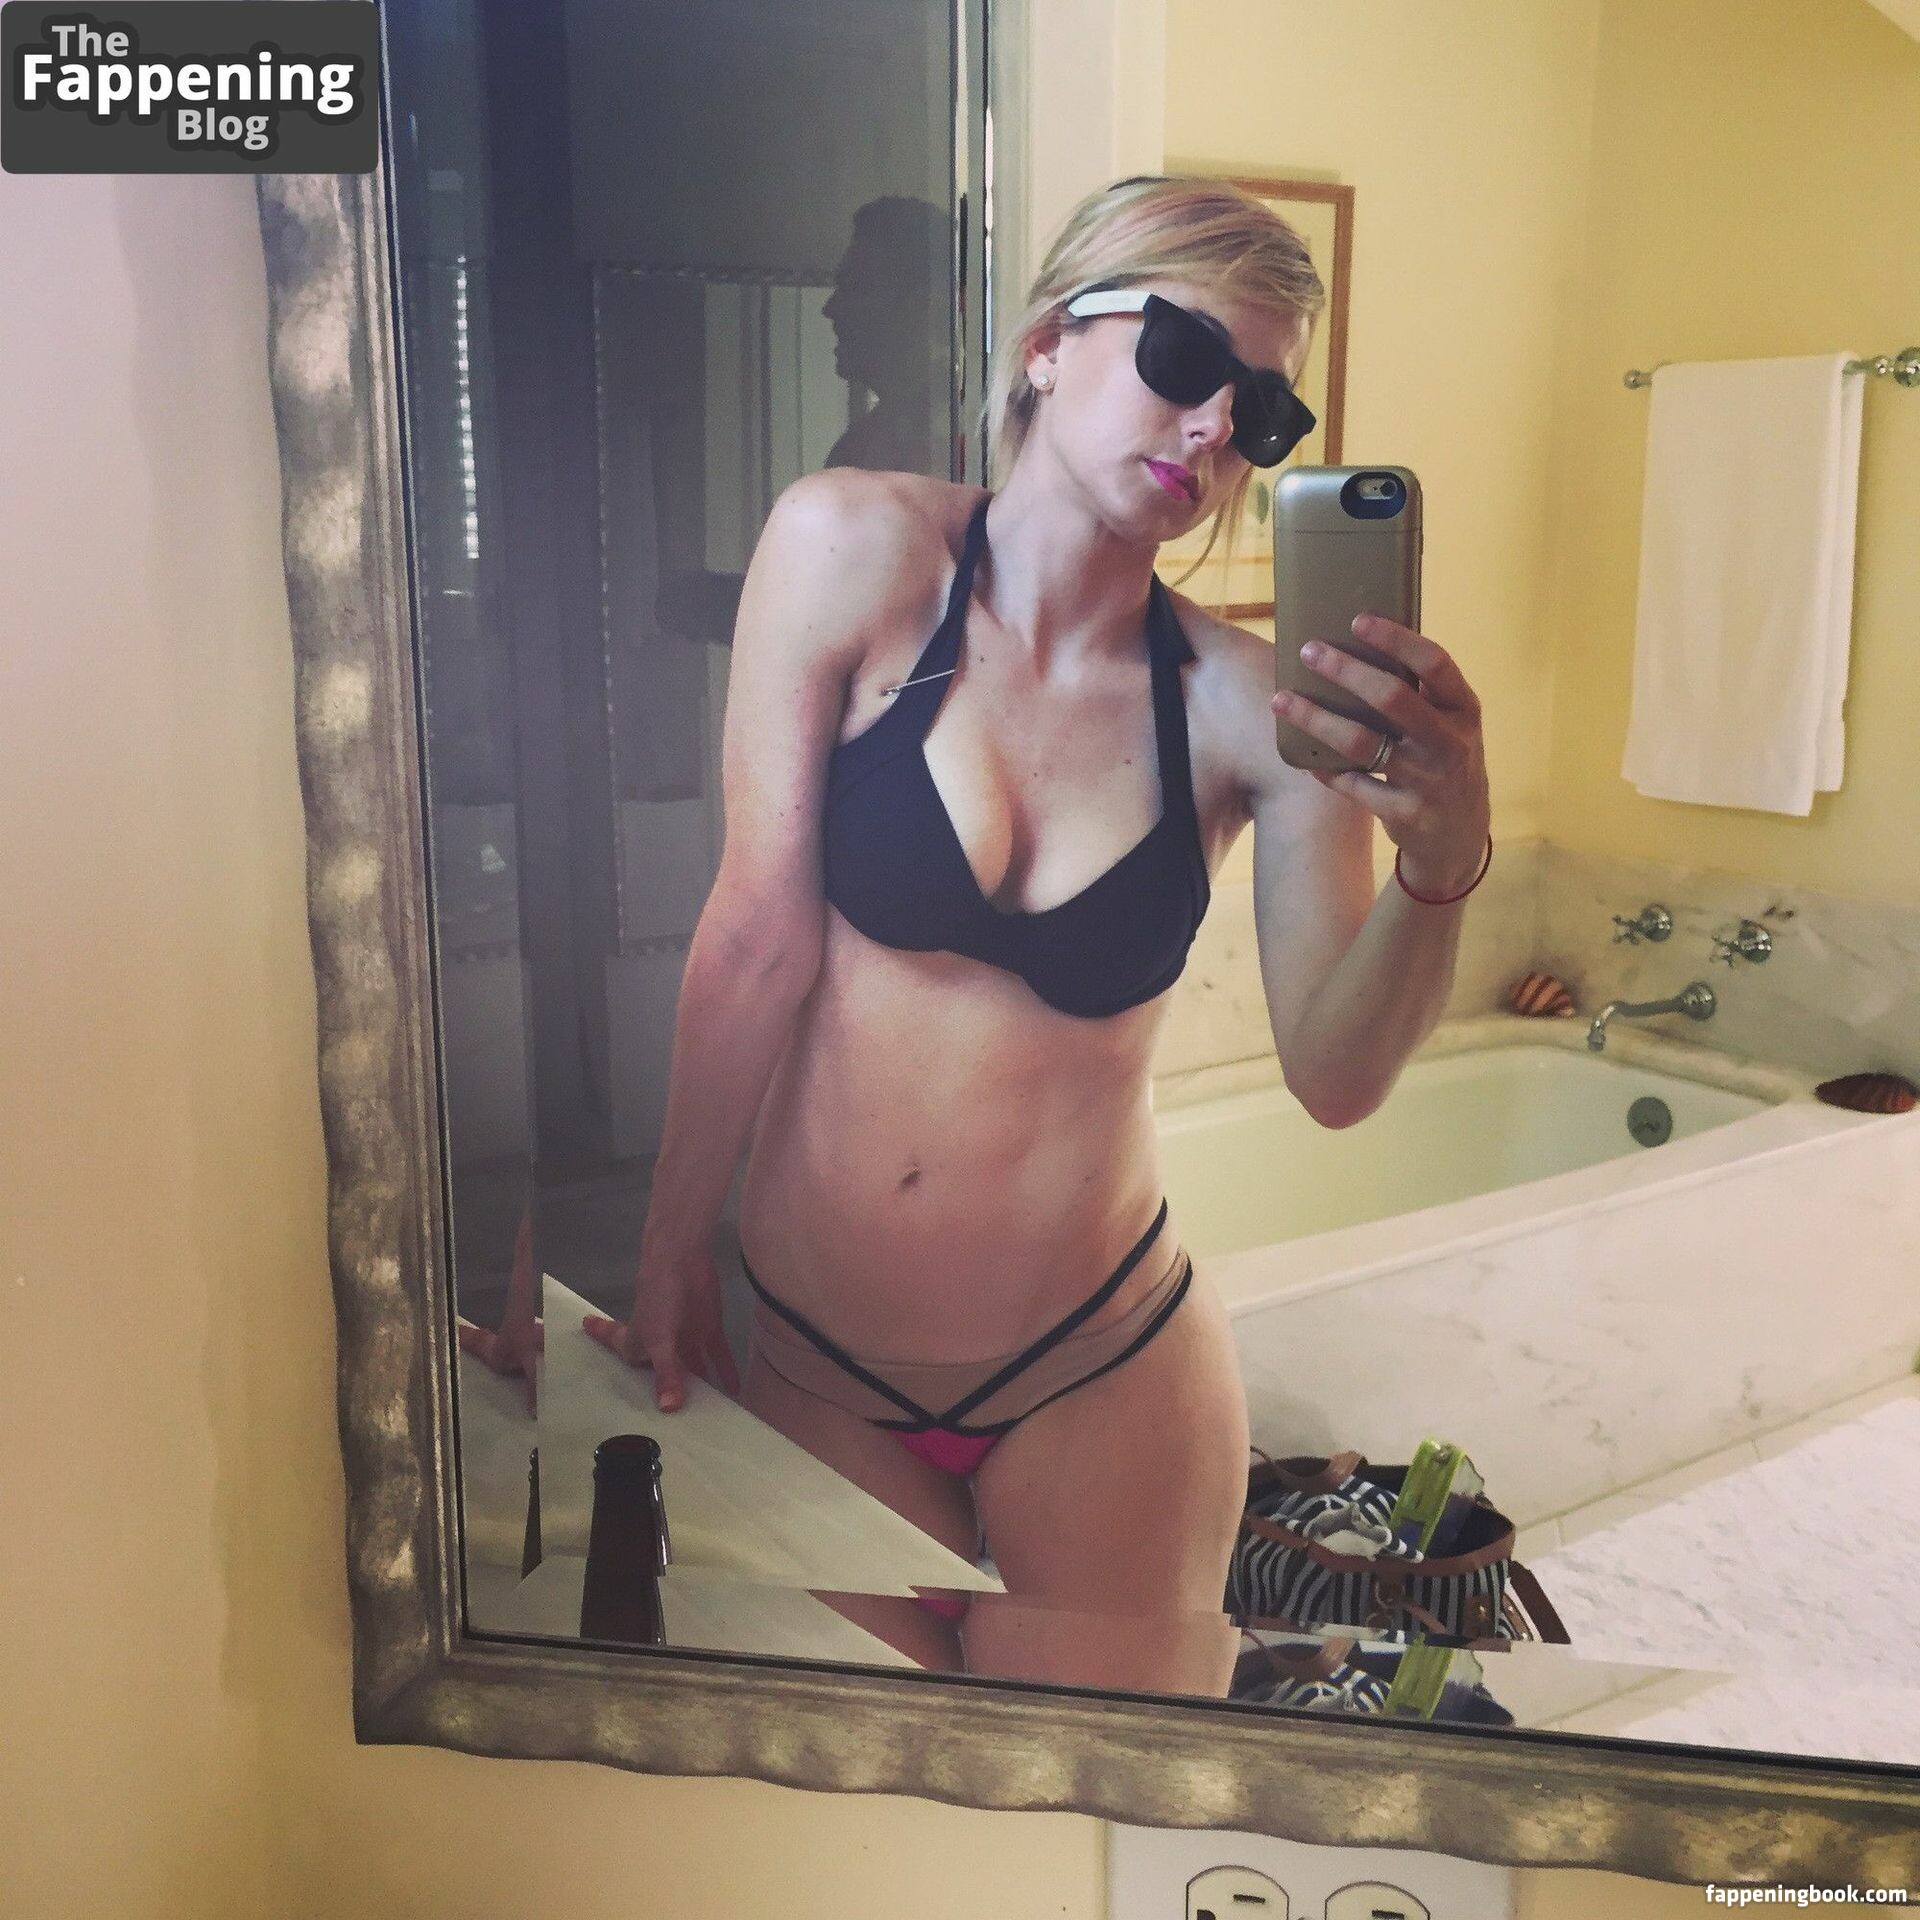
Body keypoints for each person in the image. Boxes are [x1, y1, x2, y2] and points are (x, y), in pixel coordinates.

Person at [585, 175, 1492, 1693]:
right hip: (818, 1368)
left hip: (1106, 1372)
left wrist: (1443, 866)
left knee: (1096, 1803)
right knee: (844, 1799)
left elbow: (1337, 1078)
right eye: (1186, 360)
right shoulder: (849, 548)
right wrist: (671, 1245)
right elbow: (756, 936)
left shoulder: (1250, 712)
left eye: (1264, 412)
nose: (1216, 426)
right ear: (1048, 344)